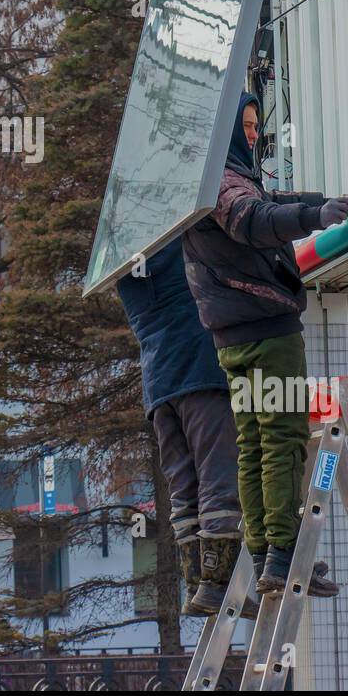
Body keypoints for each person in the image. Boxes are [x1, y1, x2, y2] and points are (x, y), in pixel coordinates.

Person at [182, 92, 348, 595]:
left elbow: (270, 205)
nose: (255, 133)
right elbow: (255, 221)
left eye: (258, 124)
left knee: (255, 444)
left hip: (234, 340)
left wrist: (319, 204)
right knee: (281, 439)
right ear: (227, 130)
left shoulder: (207, 177)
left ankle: (267, 556)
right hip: (266, 333)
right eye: (248, 125)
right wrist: (316, 216)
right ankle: (283, 555)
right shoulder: (223, 180)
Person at [117, 237, 251, 615]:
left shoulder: (124, 264)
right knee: (218, 479)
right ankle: (218, 582)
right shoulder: (181, 241)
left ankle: (196, 580)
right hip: (201, 373)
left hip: (159, 388)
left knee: (184, 488)